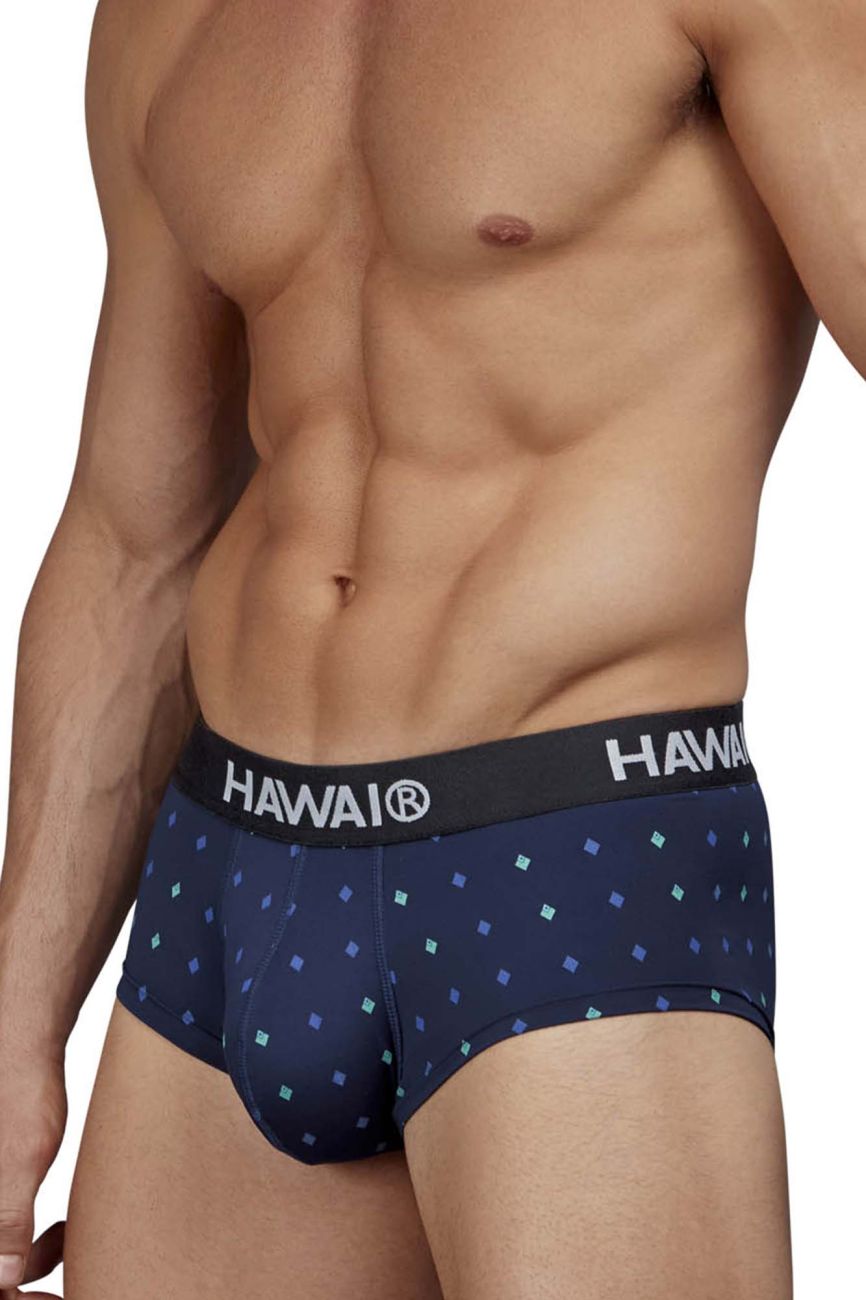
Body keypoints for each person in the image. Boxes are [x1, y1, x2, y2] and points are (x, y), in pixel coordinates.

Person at [1, 0, 863, 1295]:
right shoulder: (167, 18)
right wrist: (16, 1023)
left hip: (566, 860)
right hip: (223, 875)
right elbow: (134, 537)